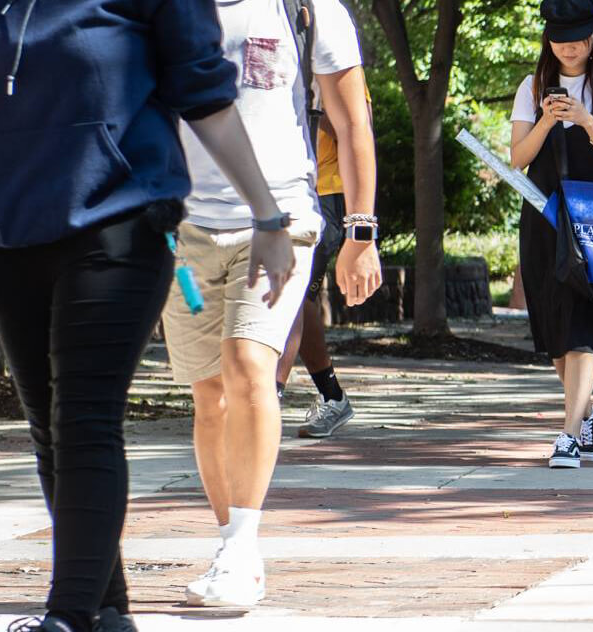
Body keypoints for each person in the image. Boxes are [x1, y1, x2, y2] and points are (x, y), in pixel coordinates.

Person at [0, 1, 302, 628]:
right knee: (50, 431)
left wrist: (267, 217)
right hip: (14, 233)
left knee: (82, 417)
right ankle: (108, 612)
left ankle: (71, 614)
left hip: (120, 223)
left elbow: (205, 93)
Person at [156, 0, 375, 609]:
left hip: (281, 224)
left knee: (250, 366)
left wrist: (361, 232)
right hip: (183, 237)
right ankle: (230, 544)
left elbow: (353, 118)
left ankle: (245, 546)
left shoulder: (308, 9)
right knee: (208, 395)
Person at [508, 0, 593, 468]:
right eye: (559, 35)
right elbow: (517, 158)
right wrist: (547, 117)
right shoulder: (531, 87)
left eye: (578, 36)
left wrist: (585, 119)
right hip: (544, 219)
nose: (568, 45)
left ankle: (567, 437)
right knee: (553, 339)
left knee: (583, 333)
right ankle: (588, 415)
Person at [275, 70, 380, 441]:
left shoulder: (330, 56)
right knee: (295, 297)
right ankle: (332, 395)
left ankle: (268, 396)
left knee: (294, 294)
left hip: (325, 193)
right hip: (274, 188)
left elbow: (355, 126)